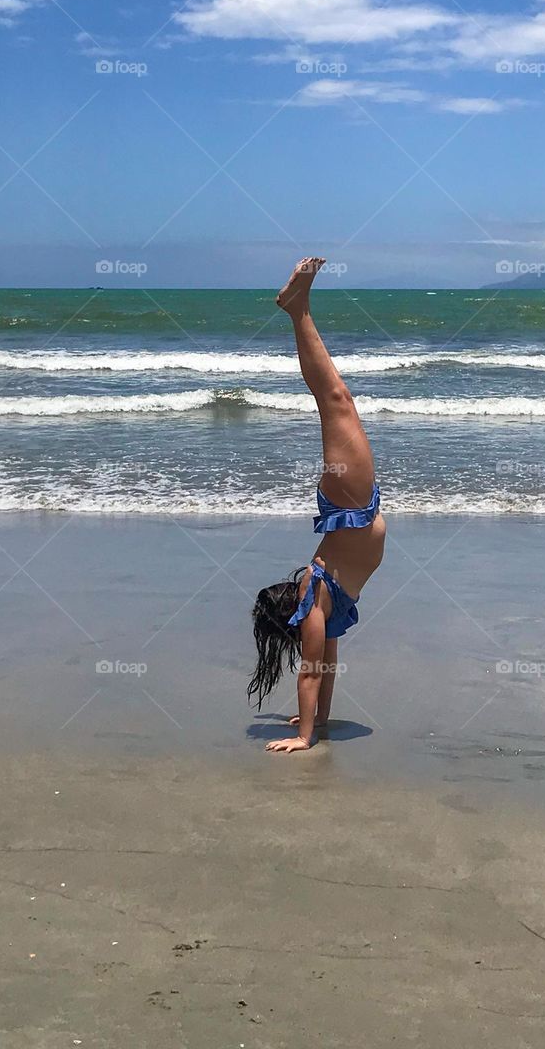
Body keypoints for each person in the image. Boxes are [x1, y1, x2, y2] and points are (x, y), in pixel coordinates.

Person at [248, 257, 386, 753]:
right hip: (356, 506)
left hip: (351, 504)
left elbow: (309, 670)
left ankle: (297, 309)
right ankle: (297, 308)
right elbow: (322, 667)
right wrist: (315, 724)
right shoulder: (320, 611)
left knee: (336, 400)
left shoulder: (313, 597)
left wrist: (303, 737)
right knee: (337, 400)